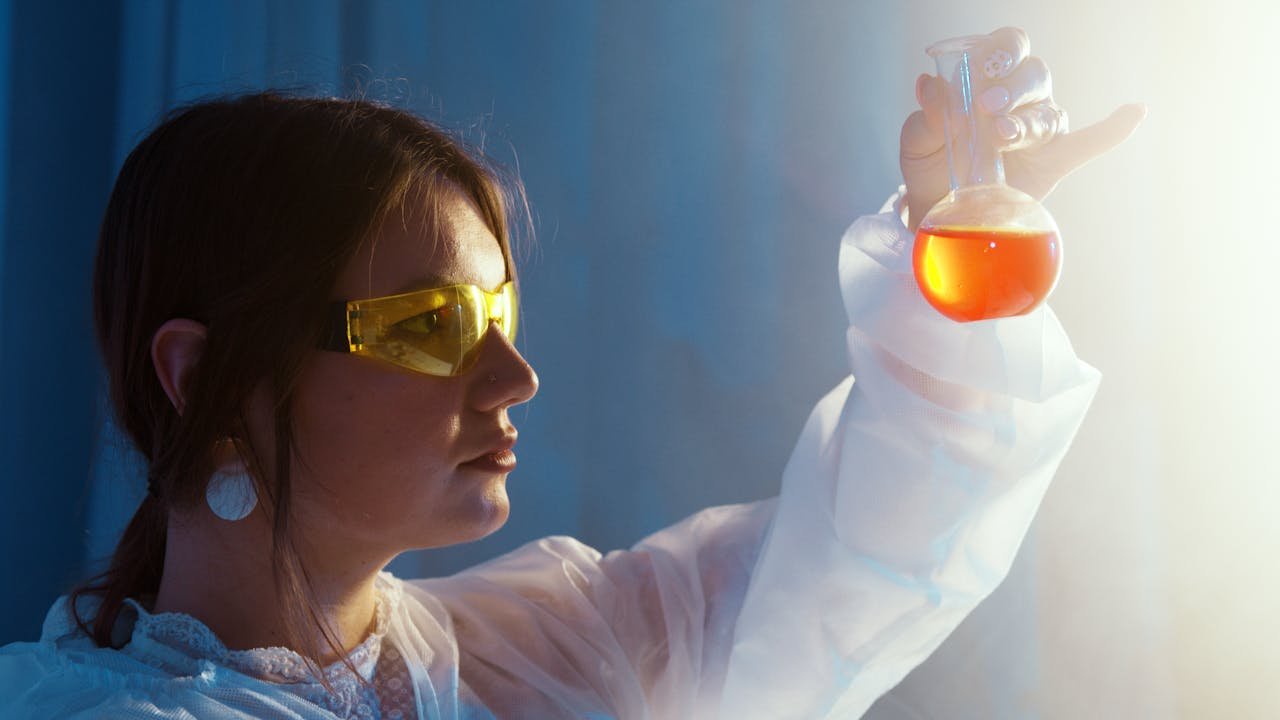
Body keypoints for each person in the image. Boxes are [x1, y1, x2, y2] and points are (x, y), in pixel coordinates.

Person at [0, 27, 1142, 720]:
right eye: (432, 323)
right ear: (200, 379)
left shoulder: (559, 652)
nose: (514, 375)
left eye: (500, 313)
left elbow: (870, 551)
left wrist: (958, 243)